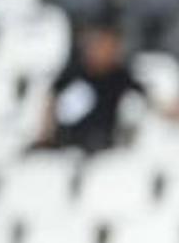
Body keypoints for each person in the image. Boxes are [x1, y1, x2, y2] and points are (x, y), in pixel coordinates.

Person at [35, 22, 146, 155]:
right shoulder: (73, 76)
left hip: (105, 150)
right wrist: (47, 133)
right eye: (99, 45)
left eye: (110, 46)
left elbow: (145, 100)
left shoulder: (121, 78)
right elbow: (52, 103)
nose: (103, 51)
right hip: (67, 147)